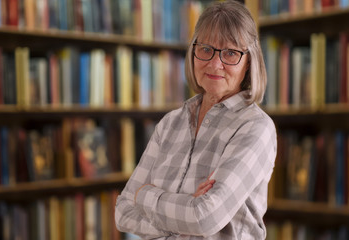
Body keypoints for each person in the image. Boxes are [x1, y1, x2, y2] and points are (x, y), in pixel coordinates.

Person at [115, 1, 277, 239]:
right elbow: (122, 212)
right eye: (206, 49)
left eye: (230, 53)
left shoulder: (255, 127)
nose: (215, 63)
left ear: (249, 62)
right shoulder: (170, 123)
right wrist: (186, 209)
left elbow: (204, 218)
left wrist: (145, 195)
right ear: (193, 51)